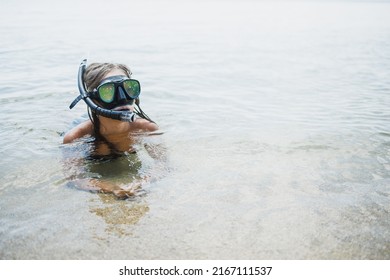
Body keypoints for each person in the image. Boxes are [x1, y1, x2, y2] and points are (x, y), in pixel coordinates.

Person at [63, 59, 162, 199]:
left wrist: (142, 182)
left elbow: (163, 164)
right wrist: (112, 188)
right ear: (93, 100)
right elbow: (73, 177)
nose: (122, 98)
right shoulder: (76, 137)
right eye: (108, 91)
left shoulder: (146, 129)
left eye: (129, 88)